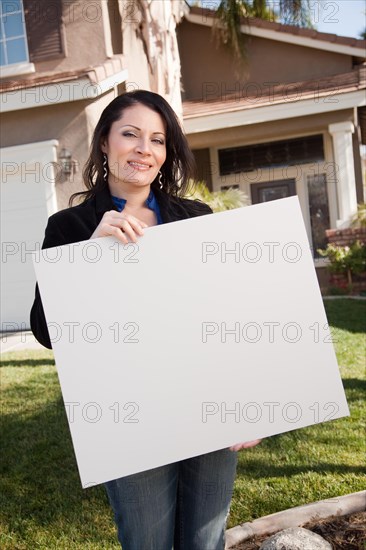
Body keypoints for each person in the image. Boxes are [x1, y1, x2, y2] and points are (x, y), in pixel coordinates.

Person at [30, 90, 261, 550]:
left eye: (157, 140)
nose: (143, 149)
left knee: (205, 540)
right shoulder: (69, 228)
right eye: (130, 134)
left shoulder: (195, 218)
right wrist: (90, 256)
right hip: (129, 416)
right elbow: (46, 331)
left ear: (166, 153)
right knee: (147, 541)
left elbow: (225, 318)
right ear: (104, 144)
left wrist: (244, 401)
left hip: (206, 402)